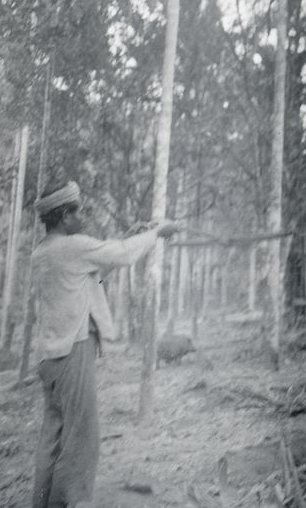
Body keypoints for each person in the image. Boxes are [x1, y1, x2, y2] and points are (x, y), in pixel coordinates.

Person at [31, 180, 178, 508]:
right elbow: (122, 256)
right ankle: (76, 502)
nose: (82, 217)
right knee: (83, 440)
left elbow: (94, 272)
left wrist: (132, 237)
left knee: (52, 440)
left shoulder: (43, 252)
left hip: (49, 359)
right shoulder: (72, 246)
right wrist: (157, 233)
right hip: (73, 352)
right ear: (65, 216)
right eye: (78, 211)